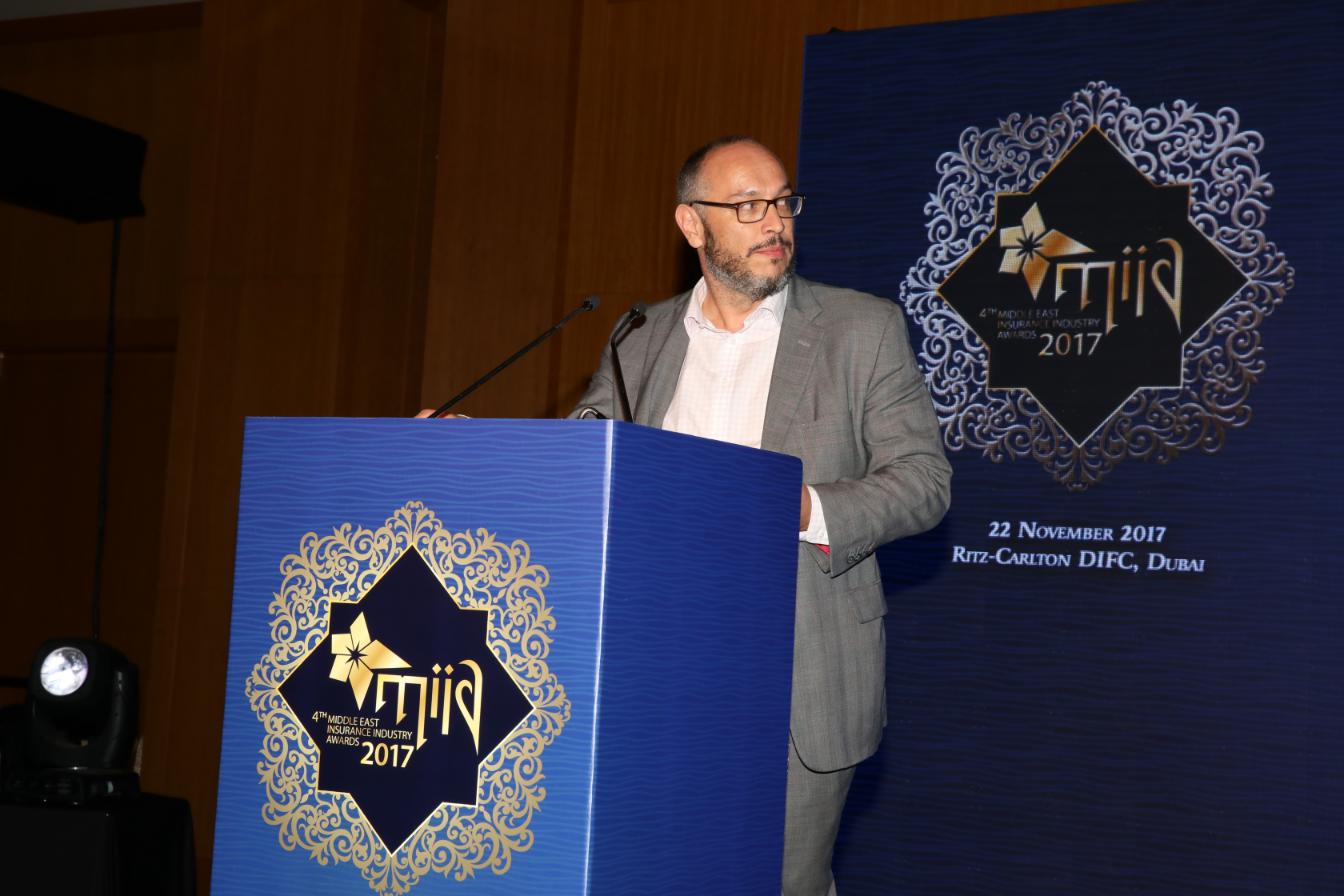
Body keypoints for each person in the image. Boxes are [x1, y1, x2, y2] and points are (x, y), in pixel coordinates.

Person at [569, 136, 952, 895]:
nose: (775, 221)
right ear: (692, 224)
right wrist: (476, 449)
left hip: (796, 678)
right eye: (748, 206)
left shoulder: (860, 328)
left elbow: (924, 481)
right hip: (652, 674)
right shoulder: (639, 337)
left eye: (782, 202)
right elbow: (587, 459)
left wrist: (807, 506)